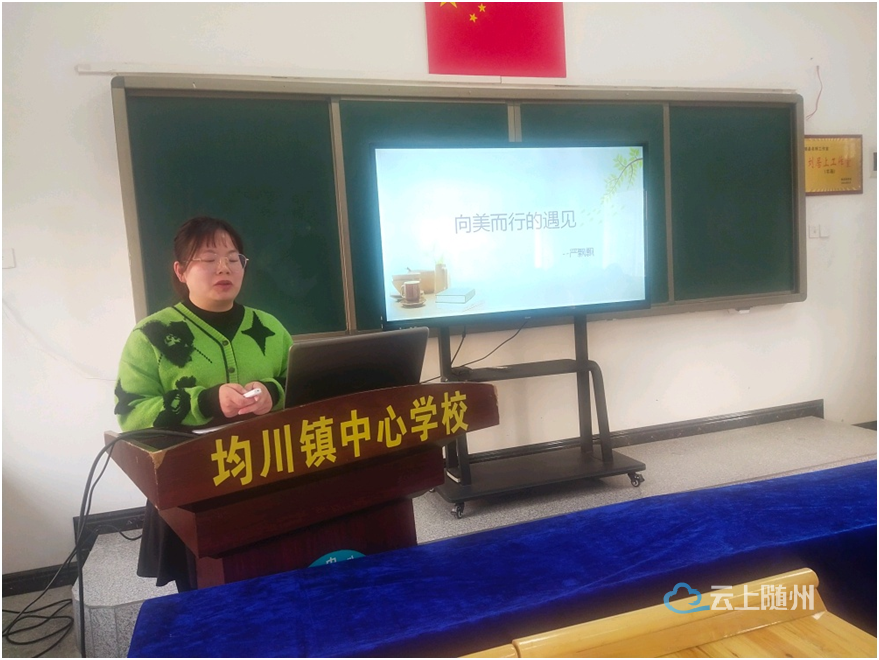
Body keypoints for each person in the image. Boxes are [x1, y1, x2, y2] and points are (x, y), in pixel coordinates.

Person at [114, 216, 293, 590]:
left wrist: (272, 393)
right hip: (192, 490)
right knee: (208, 598)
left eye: (233, 258)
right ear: (181, 271)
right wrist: (205, 401)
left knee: (277, 582)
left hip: (268, 478)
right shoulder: (151, 336)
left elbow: (302, 386)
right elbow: (131, 414)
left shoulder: (271, 327)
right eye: (208, 259)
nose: (224, 268)